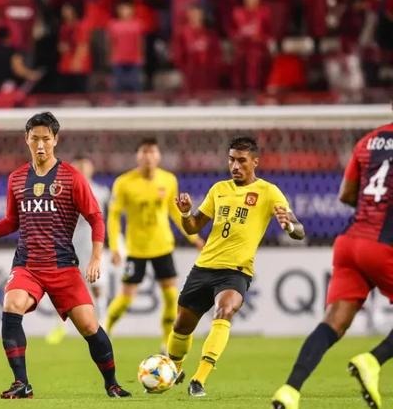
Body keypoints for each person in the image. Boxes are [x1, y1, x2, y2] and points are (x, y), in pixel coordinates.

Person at [0, 112, 131, 399]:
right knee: (12, 305)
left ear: (55, 140)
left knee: (89, 325)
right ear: (26, 139)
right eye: (34, 138)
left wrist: (97, 257)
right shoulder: (16, 178)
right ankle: (21, 383)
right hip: (28, 265)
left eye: (46, 139)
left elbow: (96, 218)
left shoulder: (72, 177)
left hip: (63, 266)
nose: (40, 145)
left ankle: (112, 383)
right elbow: (11, 221)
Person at [167, 136, 305, 397]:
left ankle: (199, 379)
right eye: (231, 160)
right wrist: (185, 213)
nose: (235, 166)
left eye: (242, 161)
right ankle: (174, 368)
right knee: (182, 326)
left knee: (225, 310)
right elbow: (193, 227)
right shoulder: (219, 189)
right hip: (204, 267)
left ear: (255, 162)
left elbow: (299, 231)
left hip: (236, 271)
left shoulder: (268, 192)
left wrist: (288, 225)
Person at [272, 120, 393, 409]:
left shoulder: (367, 142)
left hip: (349, 242)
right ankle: (373, 360)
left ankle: (289, 391)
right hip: (383, 245)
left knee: (333, 322)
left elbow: (346, 195)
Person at [105, 137, 204, 351]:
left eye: (152, 152)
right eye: (144, 152)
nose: (148, 156)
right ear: (138, 156)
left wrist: (193, 237)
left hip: (162, 246)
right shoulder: (124, 183)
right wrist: (114, 247)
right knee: (125, 298)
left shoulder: (168, 180)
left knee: (171, 296)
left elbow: (175, 212)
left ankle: (166, 342)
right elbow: (113, 217)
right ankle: (105, 331)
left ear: (158, 156)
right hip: (136, 249)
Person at [45, 153, 111, 344]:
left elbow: (107, 220)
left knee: (98, 286)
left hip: (93, 246)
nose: (81, 169)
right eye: (77, 166)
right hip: (68, 245)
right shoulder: (60, 190)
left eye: (85, 165)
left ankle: (103, 323)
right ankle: (61, 326)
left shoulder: (101, 192)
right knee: (62, 288)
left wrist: (112, 245)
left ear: (92, 168)